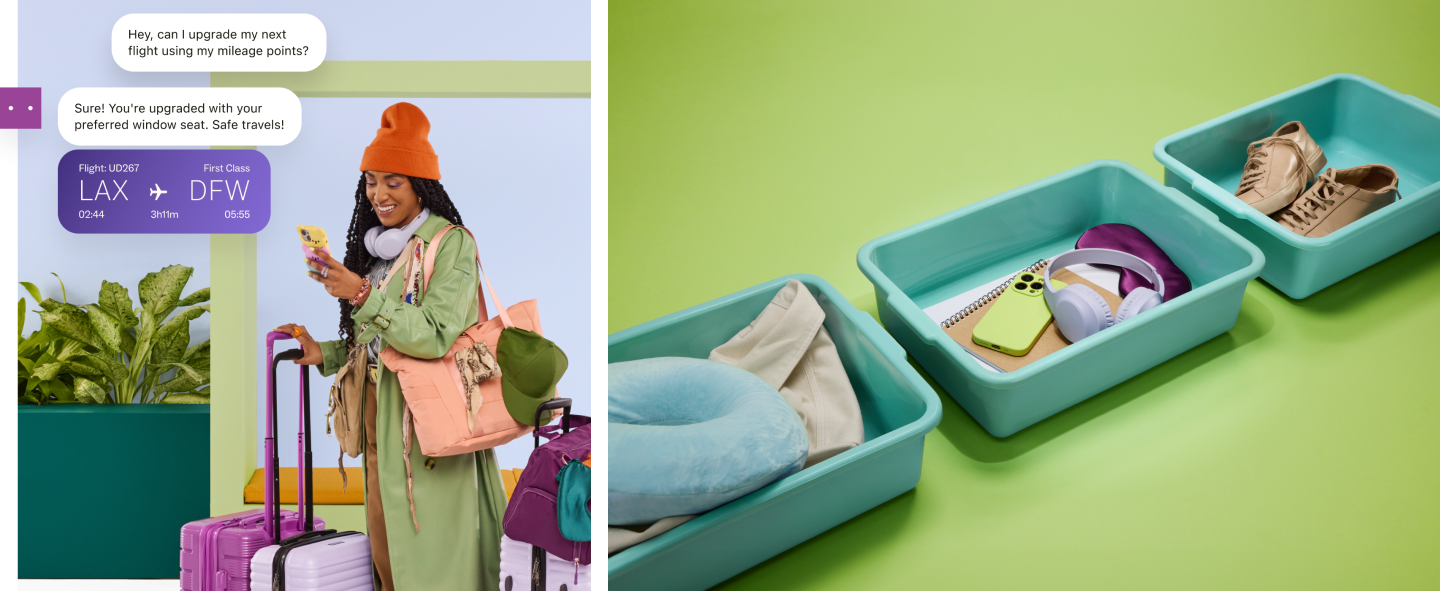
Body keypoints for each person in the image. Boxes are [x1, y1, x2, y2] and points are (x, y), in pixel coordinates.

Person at [276, 102, 505, 590]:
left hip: (428, 417)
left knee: (434, 544)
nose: (378, 193)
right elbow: (379, 342)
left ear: (421, 186)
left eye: (393, 182)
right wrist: (326, 353)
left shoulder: (451, 243)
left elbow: (434, 334)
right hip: (381, 412)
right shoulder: (379, 249)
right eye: (371, 180)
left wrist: (360, 293)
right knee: (387, 546)